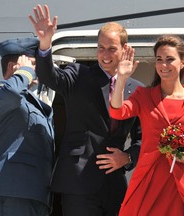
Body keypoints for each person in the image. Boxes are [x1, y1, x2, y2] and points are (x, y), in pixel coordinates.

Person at [28, 4, 143, 216]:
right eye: (101, 47)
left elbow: (143, 138)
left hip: (115, 184)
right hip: (78, 181)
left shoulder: (137, 89)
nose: (105, 54)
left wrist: (127, 158)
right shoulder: (79, 74)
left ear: (125, 49)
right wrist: (45, 44)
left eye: (112, 48)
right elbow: (49, 77)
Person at [110, 35, 184, 216]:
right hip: (147, 179)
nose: (163, 65)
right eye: (159, 60)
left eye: (170, 59)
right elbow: (117, 111)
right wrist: (121, 80)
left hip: (177, 183)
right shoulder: (144, 96)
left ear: (183, 62)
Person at [0, 37, 55, 216]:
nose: (37, 69)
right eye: (33, 64)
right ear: (12, 66)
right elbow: (12, 92)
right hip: (12, 195)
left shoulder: (32, 103)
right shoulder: (2, 91)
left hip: (35, 195)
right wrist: (24, 72)